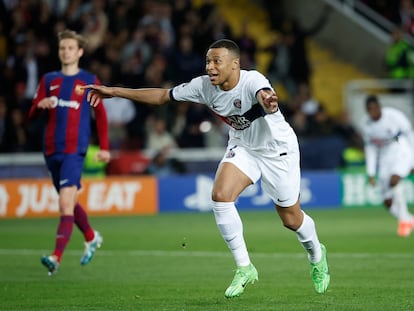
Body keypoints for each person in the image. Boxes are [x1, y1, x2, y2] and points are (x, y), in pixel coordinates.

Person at [83, 39, 330, 297]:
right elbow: (161, 96)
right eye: (208, 61)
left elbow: (264, 94)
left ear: (235, 65)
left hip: (277, 149)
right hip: (244, 146)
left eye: (216, 62)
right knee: (220, 196)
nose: (210, 67)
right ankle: (245, 267)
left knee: (290, 219)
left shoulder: (252, 80)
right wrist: (113, 91)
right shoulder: (202, 86)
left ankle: (316, 253)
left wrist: (268, 101)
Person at [28, 29, 111, 275]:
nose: (66, 52)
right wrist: (39, 106)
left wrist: (105, 148)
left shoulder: (89, 81)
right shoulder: (48, 80)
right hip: (51, 150)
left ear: (80, 52)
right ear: (59, 51)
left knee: (64, 203)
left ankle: (55, 257)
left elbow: (101, 115)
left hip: (75, 151)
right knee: (70, 202)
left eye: (71, 48)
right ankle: (90, 235)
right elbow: (31, 114)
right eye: (62, 48)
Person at [361, 95, 414, 237]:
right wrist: (371, 173)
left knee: (394, 179)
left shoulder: (394, 116)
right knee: (388, 202)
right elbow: (370, 149)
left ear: (379, 107)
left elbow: (410, 135)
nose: (371, 112)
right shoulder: (367, 125)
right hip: (384, 157)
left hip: (401, 149)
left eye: (373, 108)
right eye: (368, 110)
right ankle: (409, 219)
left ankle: (404, 222)